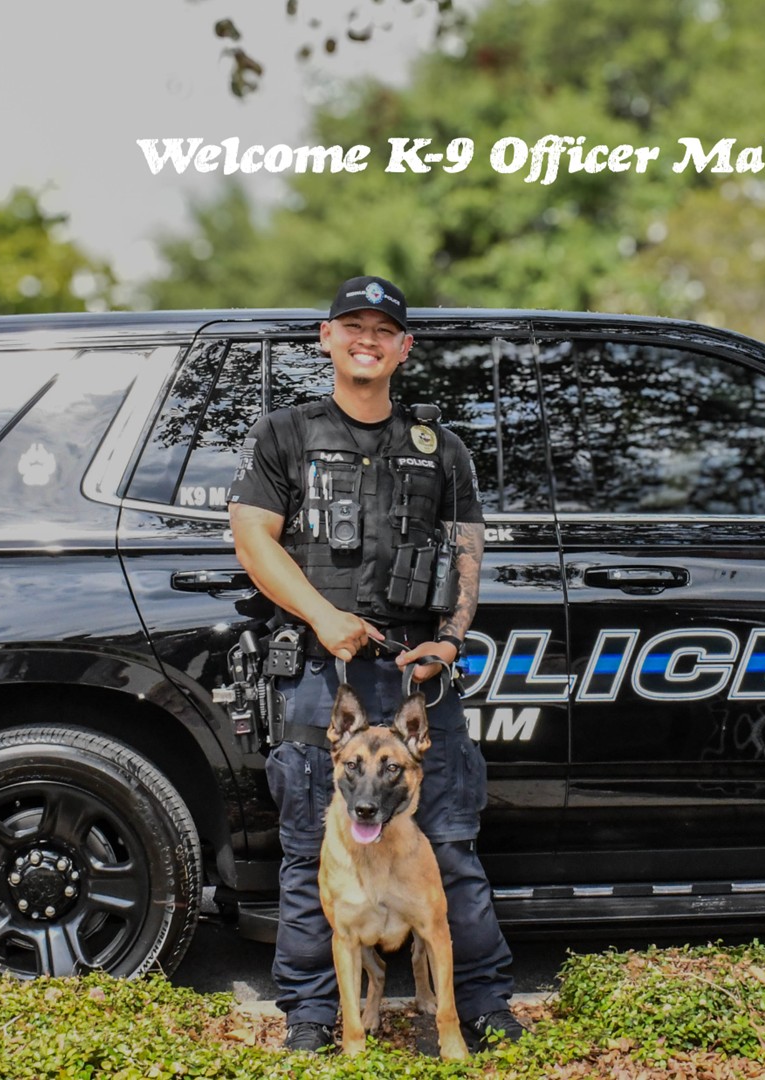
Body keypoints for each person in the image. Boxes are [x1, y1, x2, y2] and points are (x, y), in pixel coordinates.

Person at [228, 275, 523, 1054]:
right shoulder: (285, 434)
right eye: (351, 325)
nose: (367, 338)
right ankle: (315, 1016)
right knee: (308, 853)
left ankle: (481, 1002)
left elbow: (466, 555)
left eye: (383, 329)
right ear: (326, 338)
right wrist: (322, 616)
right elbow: (253, 537)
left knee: (449, 843)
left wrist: (452, 641)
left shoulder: (441, 447)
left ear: (403, 347)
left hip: (418, 675)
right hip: (321, 673)